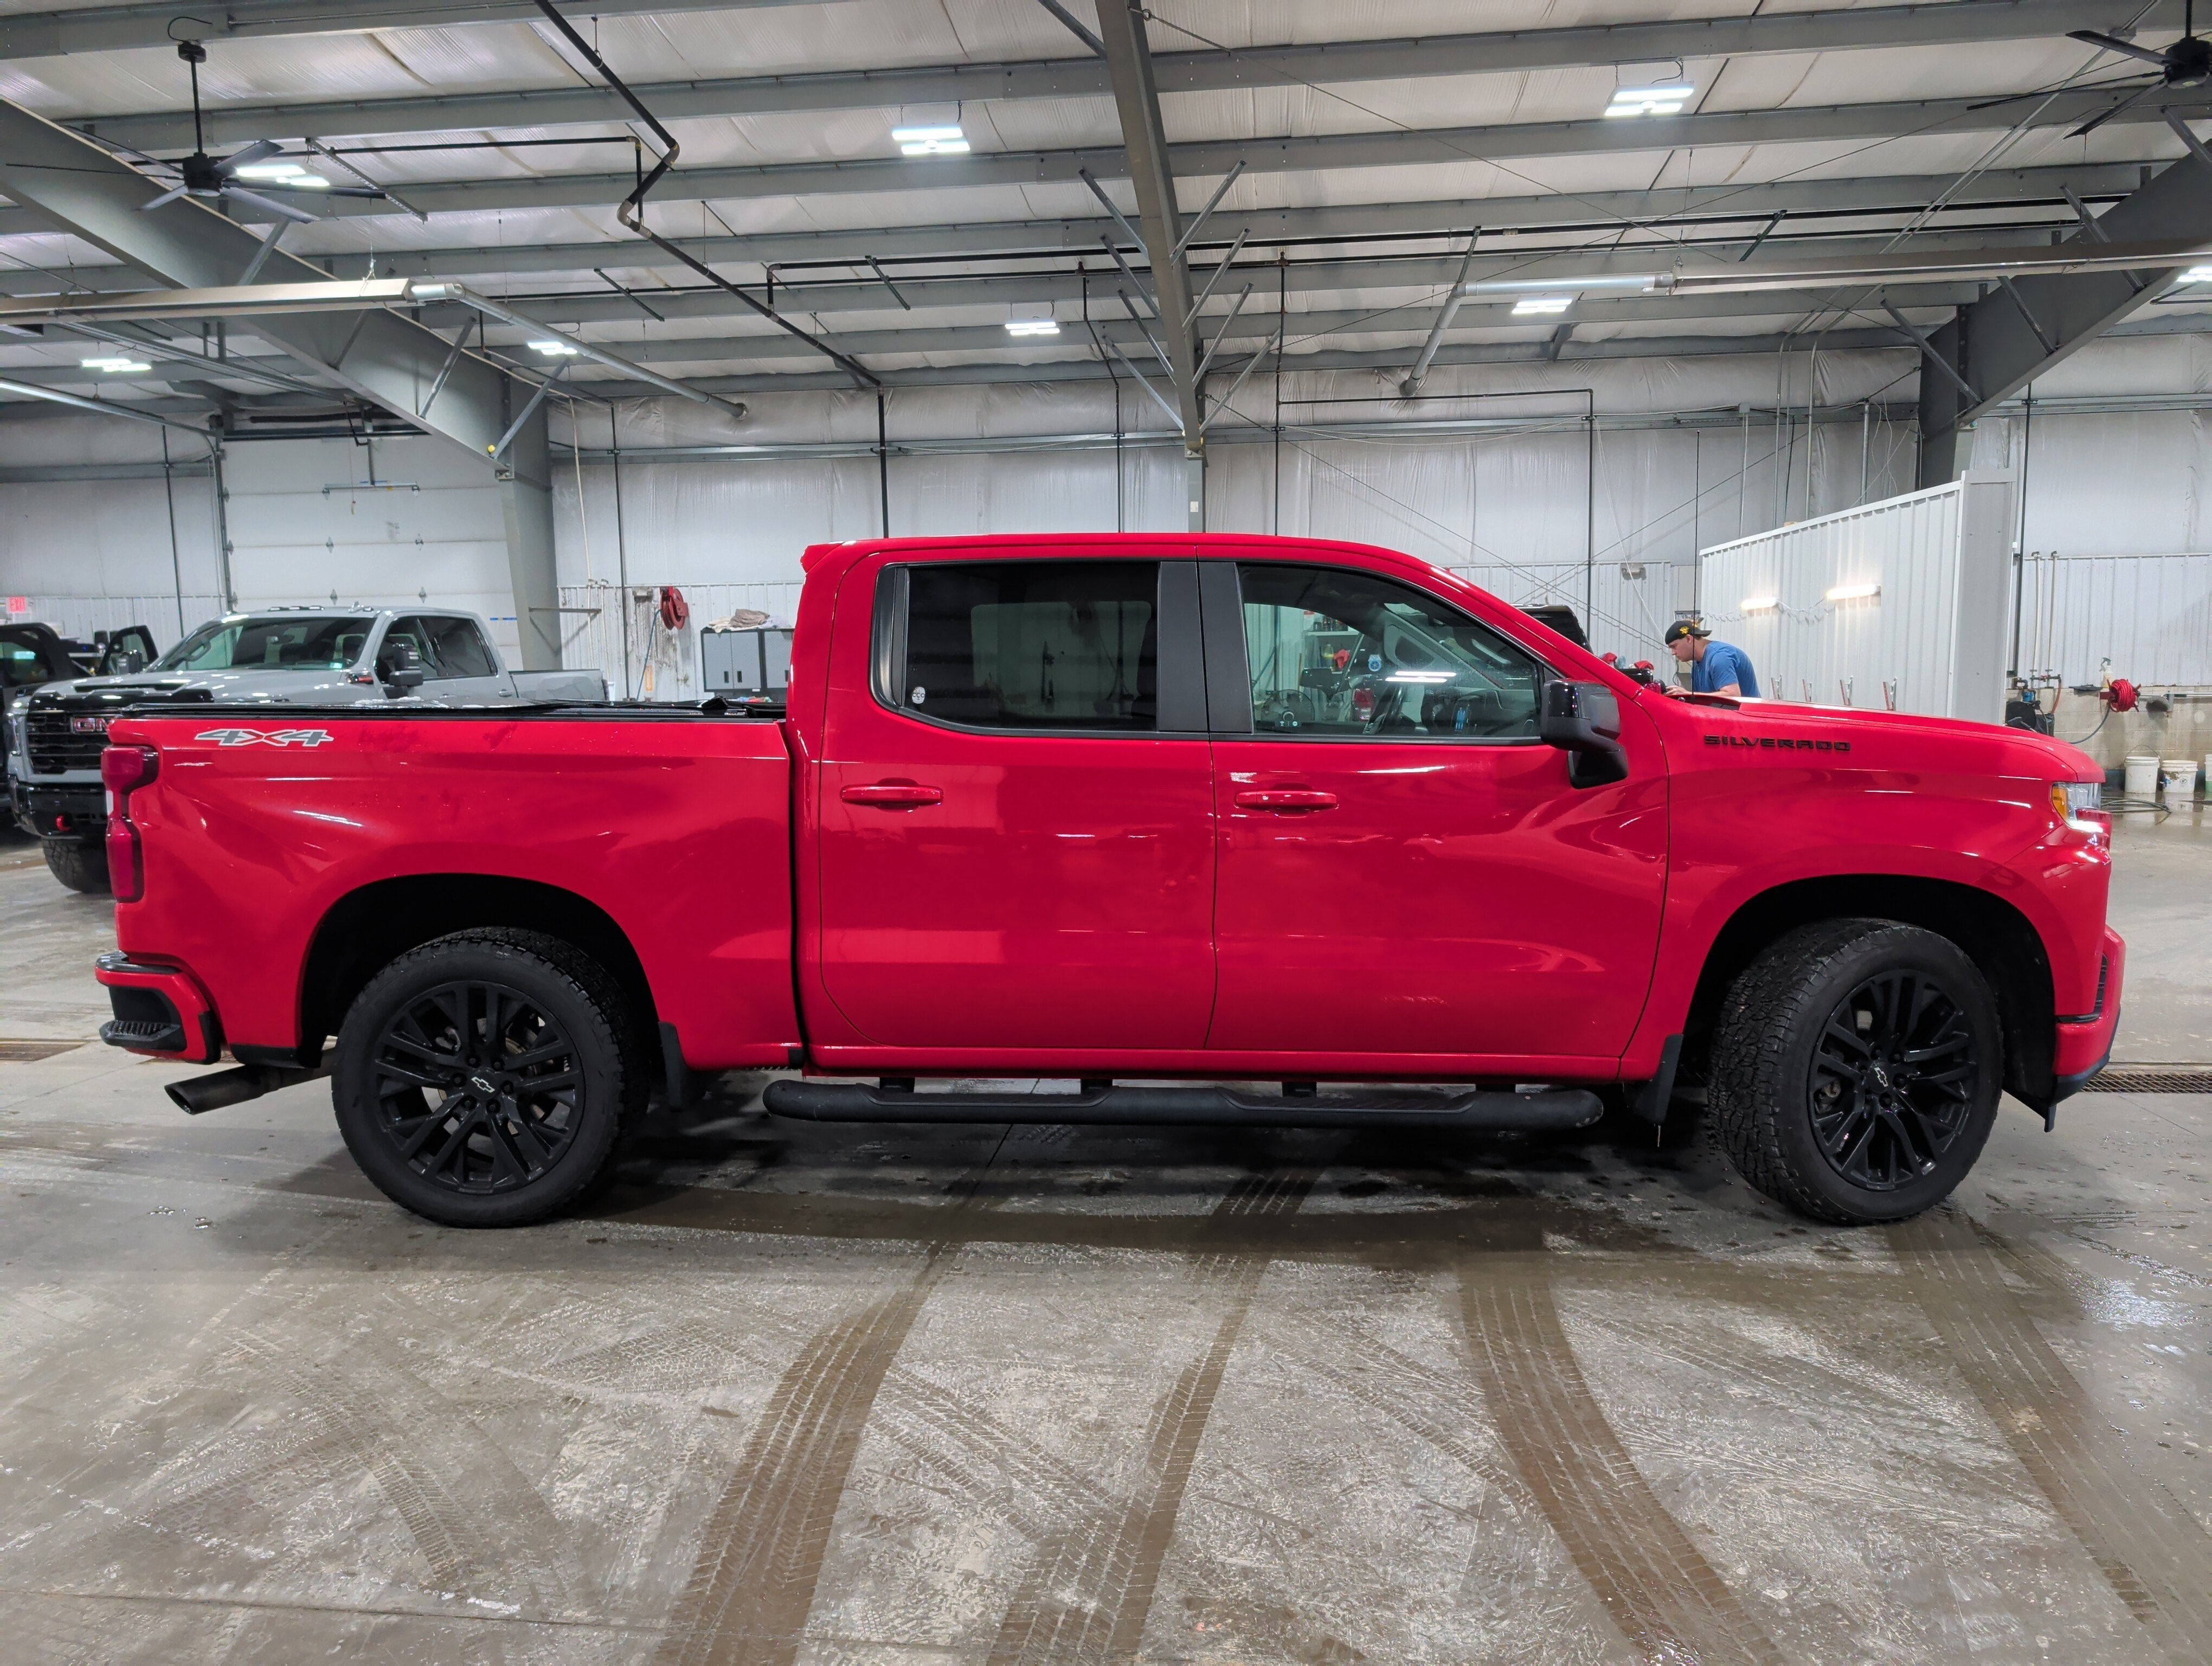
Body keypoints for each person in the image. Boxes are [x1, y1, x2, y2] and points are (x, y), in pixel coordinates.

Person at [1664, 618, 1759, 697]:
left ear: (1689, 639)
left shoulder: (1720, 658)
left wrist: (1688, 694)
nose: (1673, 653)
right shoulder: (1696, 666)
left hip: (1746, 714)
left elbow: (1733, 695)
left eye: (1674, 646)